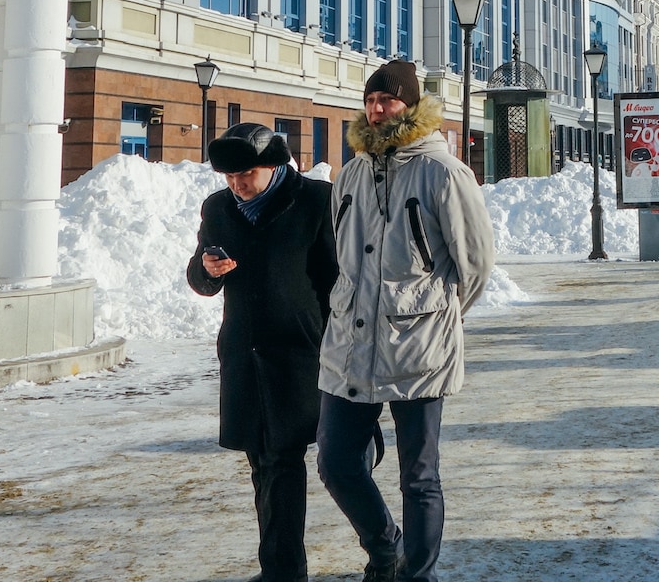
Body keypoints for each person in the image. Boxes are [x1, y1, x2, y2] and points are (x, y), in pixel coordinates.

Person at [318, 60, 495, 582]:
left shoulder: (442, 171)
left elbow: (477, 265)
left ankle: (418, 575)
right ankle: (385, 548)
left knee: (418, 476)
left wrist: (435, 316)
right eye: (371, 100)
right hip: (351, 343)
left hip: (419, 349)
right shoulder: (349, 172)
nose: (377, 109)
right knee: (337, 463)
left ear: (411, 106)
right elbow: (341, 253)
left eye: (388, 100)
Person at [186, 123, 338, 582]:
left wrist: (342, 348)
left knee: (301, 463)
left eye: (247, 173)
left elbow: (336, 283)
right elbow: (199, 276)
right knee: (264, 463)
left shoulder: (315, 201)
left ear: (274, 165)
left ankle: (379, 547)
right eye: (229, 176)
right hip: (244, 357)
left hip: (300, 354)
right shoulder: (218, 208)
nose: (237, 184)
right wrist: (207, 268)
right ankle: (281, 568)